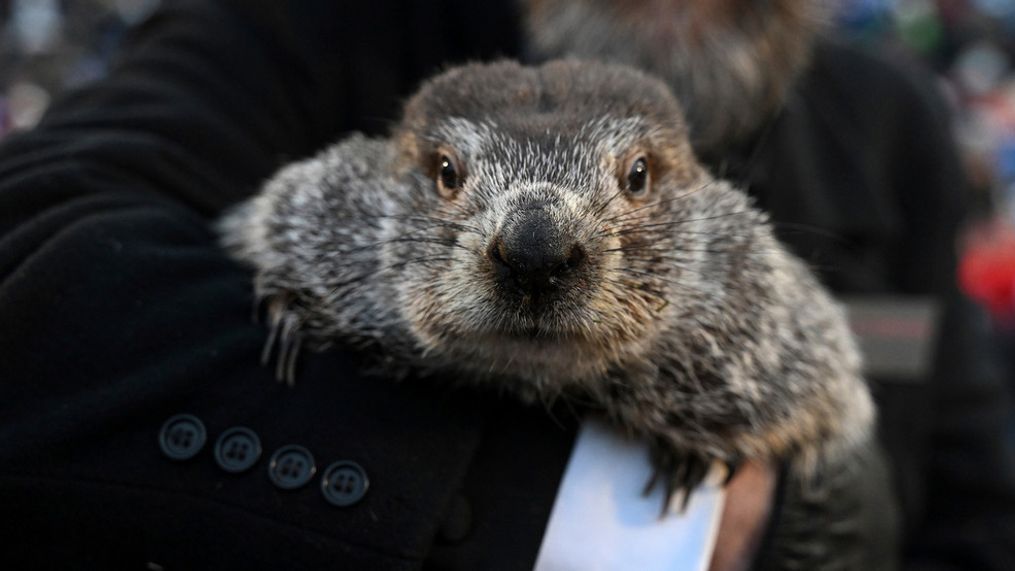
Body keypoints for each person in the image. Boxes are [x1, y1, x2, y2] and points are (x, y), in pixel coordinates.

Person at [0, 1, 1012, 569]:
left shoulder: (891, 125)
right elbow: (35, 261)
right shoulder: (302, 30)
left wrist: (818, 511)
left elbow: (971, 499)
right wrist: (616, 518)